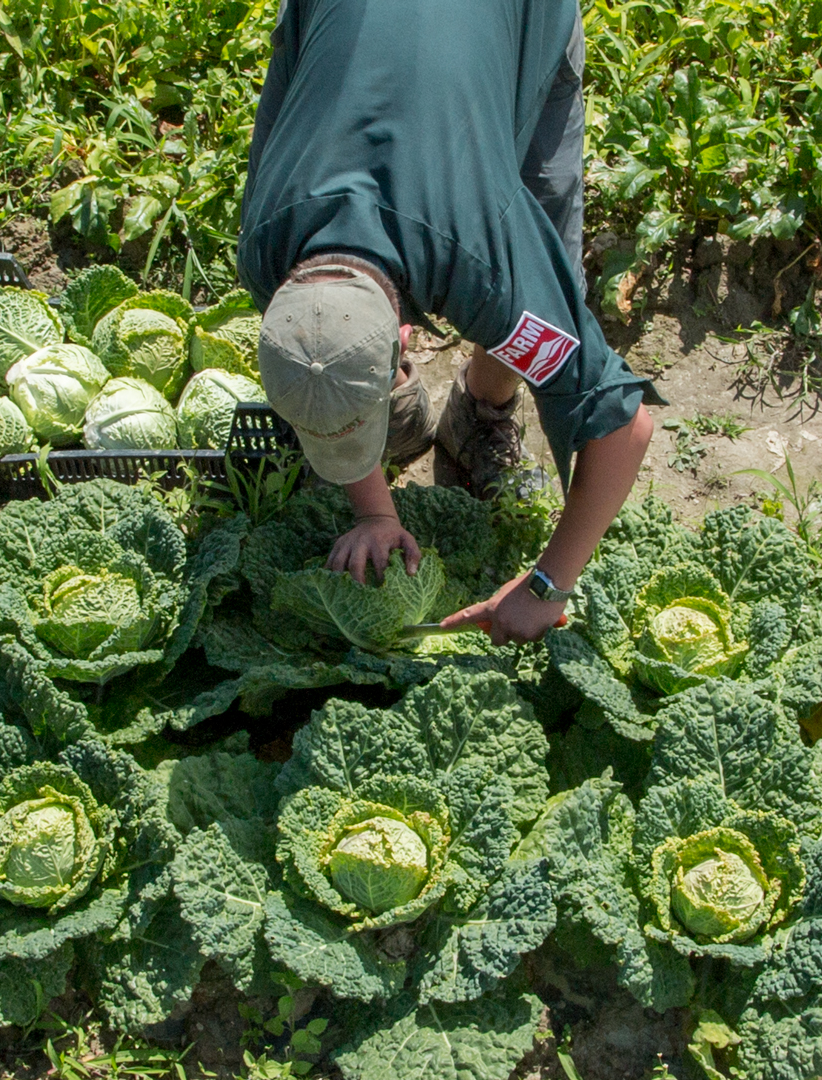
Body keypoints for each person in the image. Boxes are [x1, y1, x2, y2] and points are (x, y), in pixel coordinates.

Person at [236, 0, 664, 646]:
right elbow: (318, 347)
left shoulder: (486, 261)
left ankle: (479, 411)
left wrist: (547, 585)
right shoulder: (267, 242)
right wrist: (376, 513)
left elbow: (625, 427)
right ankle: (390, 408)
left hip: (518, 18)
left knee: (544, 263)